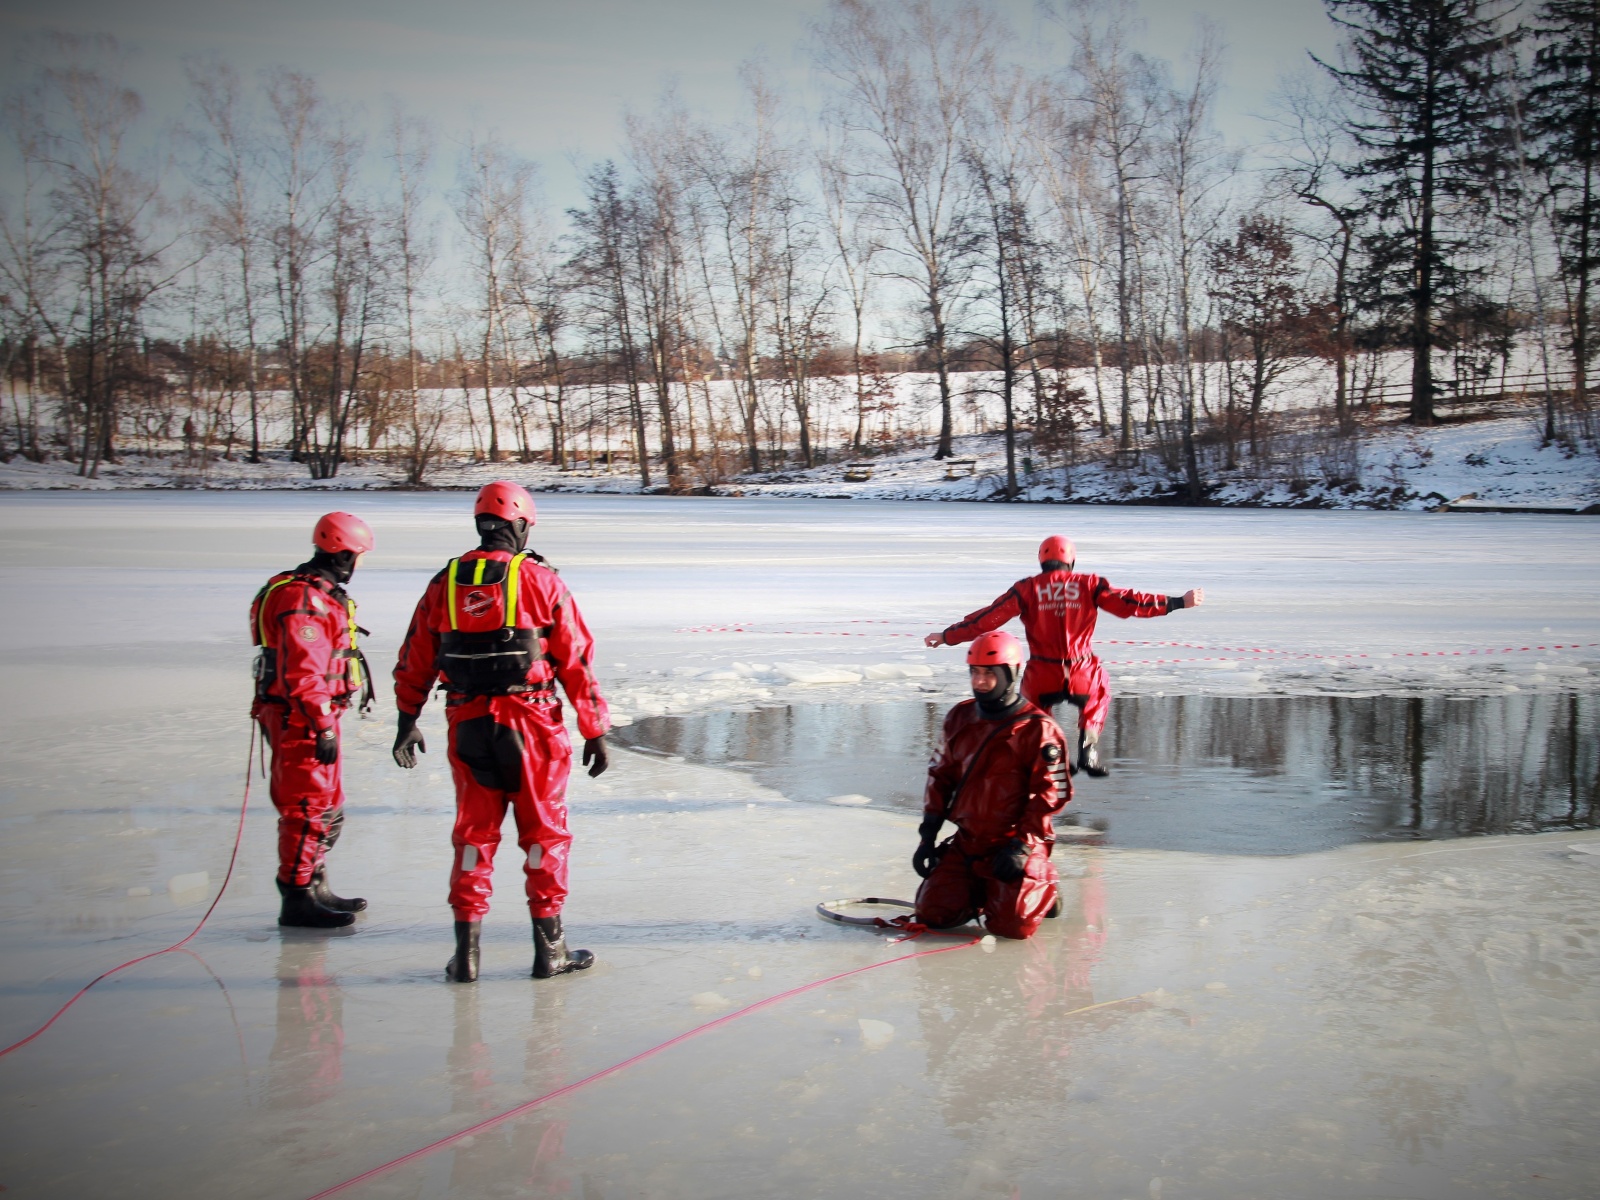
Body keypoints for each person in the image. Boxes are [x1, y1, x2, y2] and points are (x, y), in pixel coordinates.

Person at [391, 482, 611, 983]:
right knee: (543, 835)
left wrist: (407, 720)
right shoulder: (540, 581)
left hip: (467, 723)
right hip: (530, 725)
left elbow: (415, 657)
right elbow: (575, 657)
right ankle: (549, 950)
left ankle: (466, 955)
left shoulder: (443, 583)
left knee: (474, 836)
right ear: (520, 525)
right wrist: (594, 728)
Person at [925, 535, 1203, 777]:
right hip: (1082, 670)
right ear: (1071, 561)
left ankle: (1051, 753)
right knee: (1100, 691)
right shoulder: (1089, 583)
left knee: (1033, 713)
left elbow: (988, 619)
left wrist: (948, 636)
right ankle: (1088, 749)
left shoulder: (1026, 588)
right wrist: (1177, 602)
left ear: (1042, 561)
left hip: (1042, 673)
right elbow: (1128, 602)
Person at [250, 511, 375, 929]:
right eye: (357, 555)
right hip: (300, 717)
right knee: (307, 806)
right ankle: (297, 896)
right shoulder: (303, 601)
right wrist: (321, 723)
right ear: (343, 554)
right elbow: (304, 673)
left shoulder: (315, 593)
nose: (358, 564)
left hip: (311, 712)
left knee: (327, 804)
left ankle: (315, 883)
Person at [913, 631, 1073, 940]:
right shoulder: (960, 717)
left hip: (1015, 841)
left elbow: (1050, 794)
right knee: (934, 914)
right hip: (970, 839)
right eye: (975, 672)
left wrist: (1022, 846)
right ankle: (983, 889)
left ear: (1011, 674)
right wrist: (928, 835)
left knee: (1013, 926)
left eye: (989, 673)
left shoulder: (1039, 730)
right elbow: (940, 776)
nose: (980, 682)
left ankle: (1045, 886)